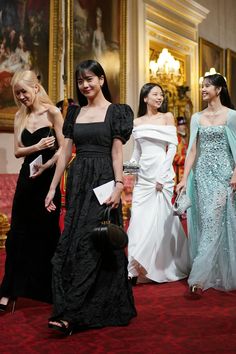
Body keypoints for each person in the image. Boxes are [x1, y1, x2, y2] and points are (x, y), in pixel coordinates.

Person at [45, 59, 136, 335]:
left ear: (101, 79)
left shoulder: (117, 112)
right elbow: (65, 153)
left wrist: (119, 185)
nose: (85, 85)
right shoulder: (73, 113)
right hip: (78, 182)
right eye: (81, 81)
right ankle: (85, 306)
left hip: (104, 182)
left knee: (91, 243)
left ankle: (69, 314)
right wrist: (52, 189)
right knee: (69, 245)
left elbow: (117, 153)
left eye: (90, 79)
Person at [0, 70, 64, 311]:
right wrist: (36, 146)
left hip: (48, 182)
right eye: (17, 94)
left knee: (47, 234)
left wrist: (47, 164)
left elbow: (63, 150)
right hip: (27, 181)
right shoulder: (20, 116)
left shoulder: (53, 113)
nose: (21, 97)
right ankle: (9, 290)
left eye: (23, 92)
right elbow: (17, 151)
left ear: (36, 88)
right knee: (17, 236)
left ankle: (48, 290)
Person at [176, 73, 236, 293]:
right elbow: (192, 149)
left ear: (219, 89)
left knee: (214, 219)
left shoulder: (231, 116)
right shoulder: (196, 117)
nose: (202, 89)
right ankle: (213, 272)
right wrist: (183, 178)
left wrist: (235, 173)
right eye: (202, 86)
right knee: (207, 220)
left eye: (207, 86)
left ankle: (198, 279)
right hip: (202, 176)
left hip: (224, 176)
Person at [127, 83, 190, 284]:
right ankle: (136, 266)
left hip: (161, 175)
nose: (159, 97)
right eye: (155, 94)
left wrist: (163, 176)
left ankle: (159, 266)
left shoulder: (167, 117)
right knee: (138, 218)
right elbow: (136, 152)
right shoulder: (136, 122)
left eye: (161, 94)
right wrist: (130, 175)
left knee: (160, 220)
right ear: (145, 98)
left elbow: (172, 147)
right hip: (142, 178)